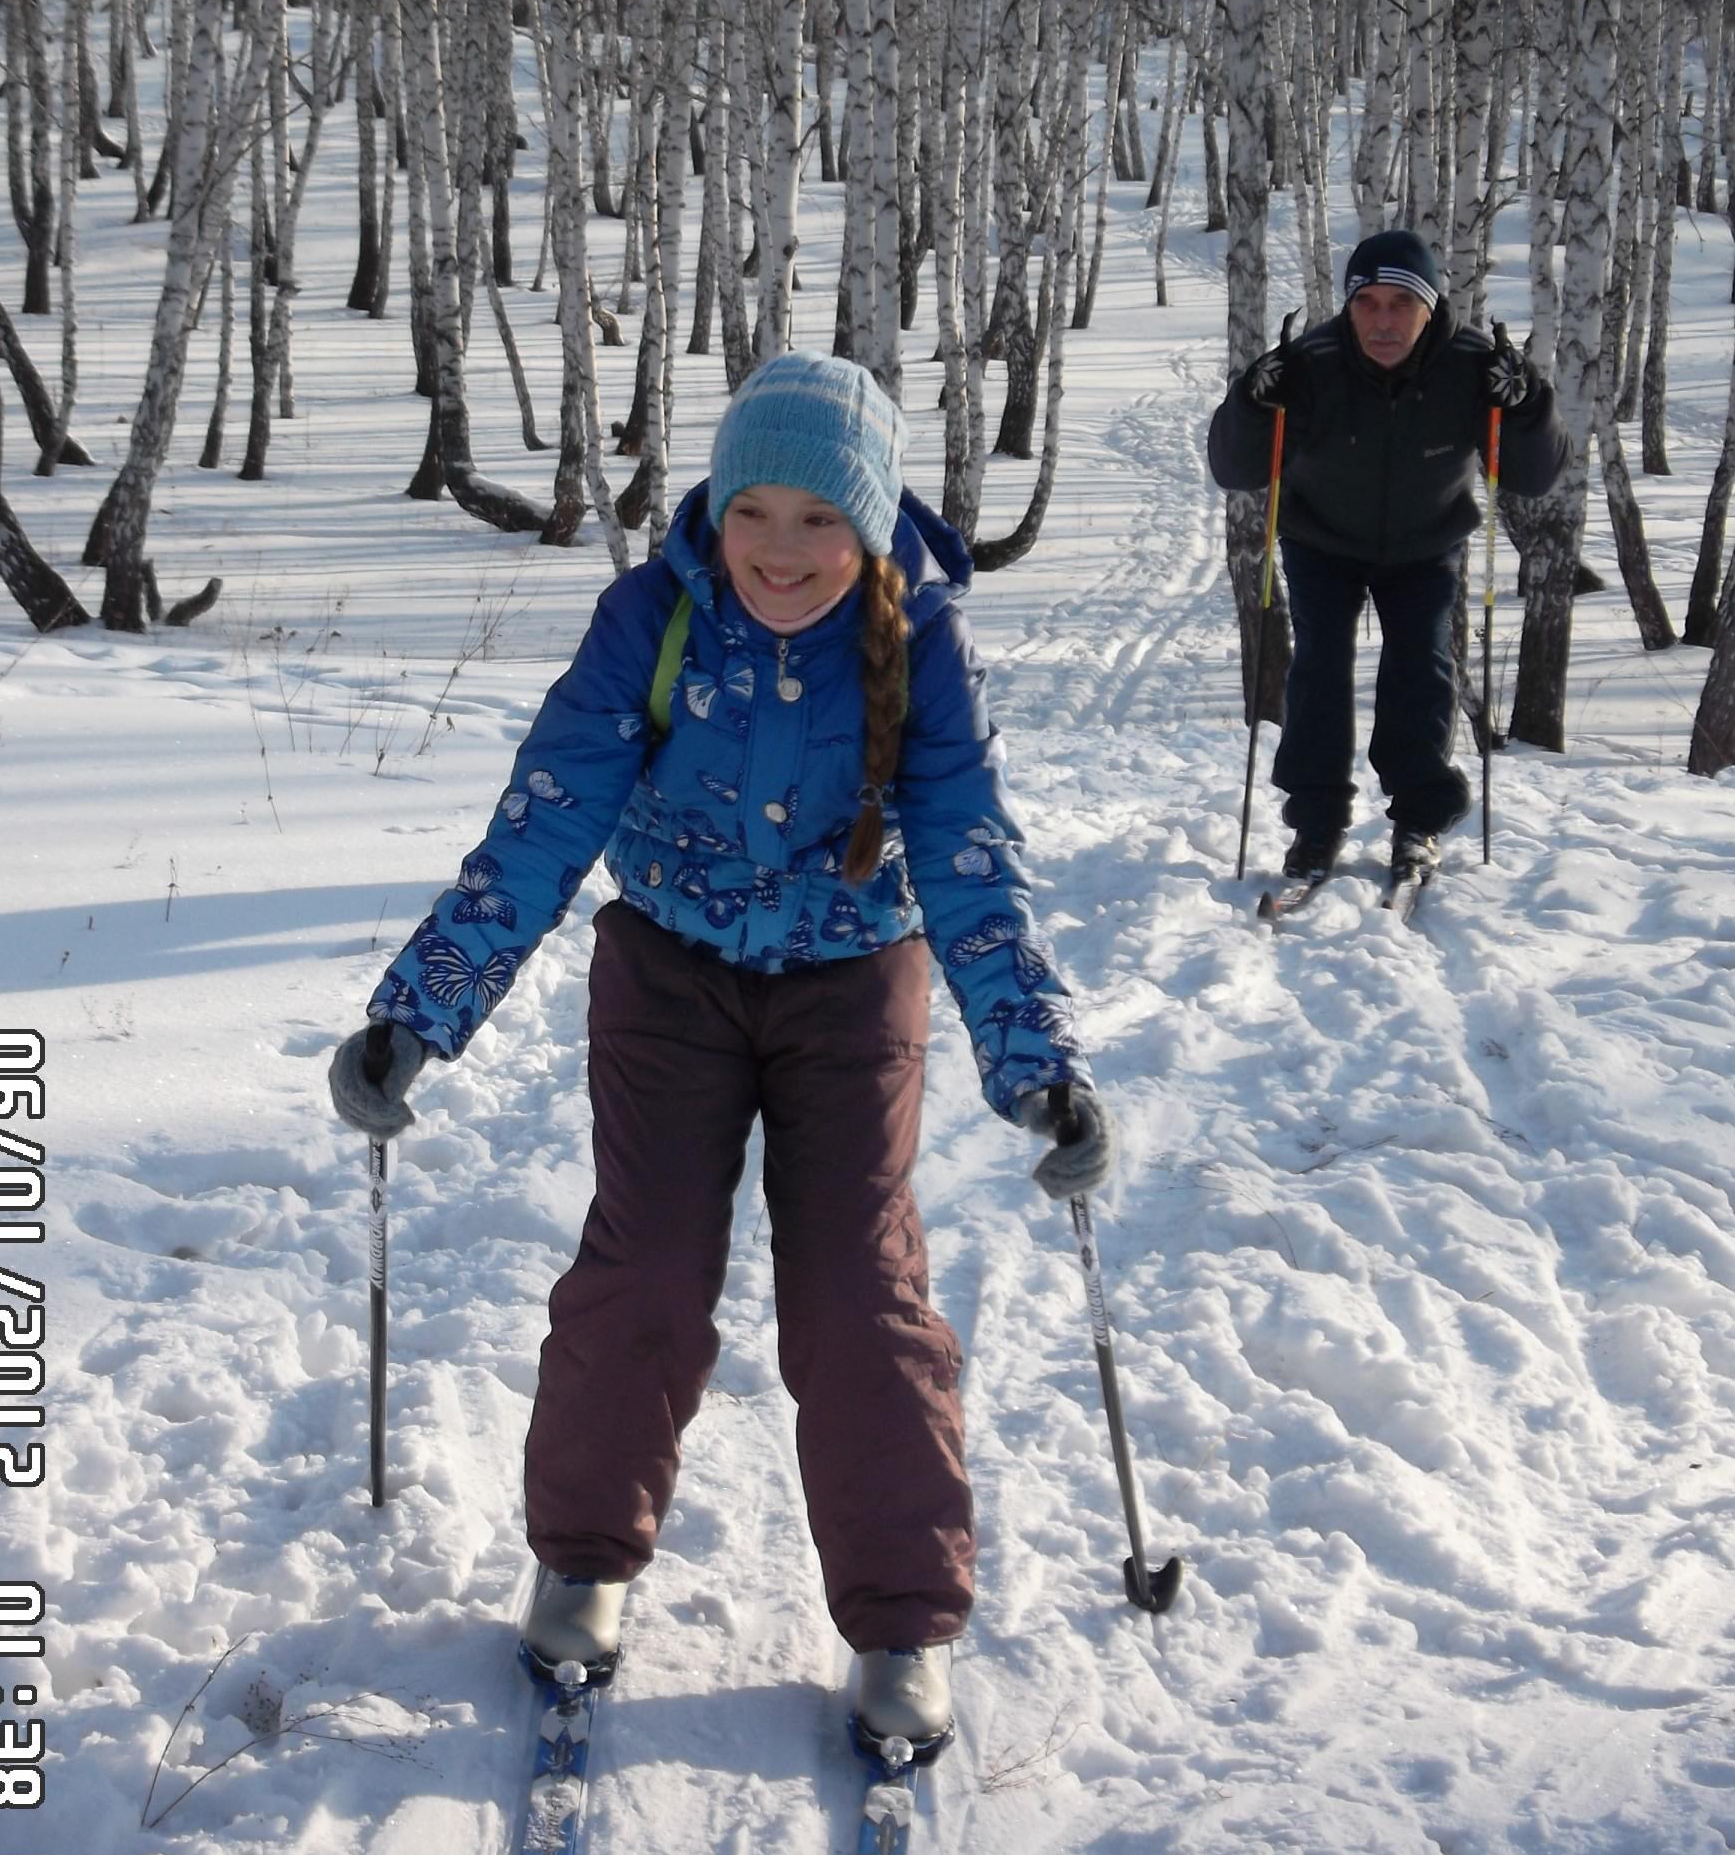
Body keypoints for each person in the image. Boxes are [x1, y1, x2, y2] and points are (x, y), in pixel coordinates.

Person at [327, 352, 1112, 1755]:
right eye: (756, 511)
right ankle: (582, 1558)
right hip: (671, 977)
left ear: (867, 524)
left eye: (820, 519)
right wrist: (420, 1010)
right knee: (647, 1265)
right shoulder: (654, 616)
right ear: (716, 504)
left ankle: (901, 1624)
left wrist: (1035, 1057)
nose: (782, 550)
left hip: (853, 984)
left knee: (857, 1292)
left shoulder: (918, 641)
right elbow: (547, 820)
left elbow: (971, 858)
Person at [1207, 229, 1569, 885]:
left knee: (1422, 665)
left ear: (1430, 307)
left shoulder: (1472, 366)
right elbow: (1235, 469)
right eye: (1366, 303)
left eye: (1400, 303)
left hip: (1426, 542)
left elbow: (1534, 475)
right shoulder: (1310, 362)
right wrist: (1251, 403)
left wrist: (1527, 406)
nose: (1381, 320)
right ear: (1349, 306)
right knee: (1318, 668)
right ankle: (1316, 823)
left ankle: (1420, 817)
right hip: (1321, 538)